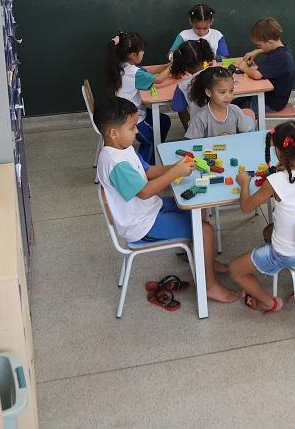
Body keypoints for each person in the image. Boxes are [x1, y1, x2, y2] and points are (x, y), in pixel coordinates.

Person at [94, 97, 237, 306]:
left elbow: (148, 171)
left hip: (149, 210)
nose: (137, 131)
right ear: (113, 133)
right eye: (132, 127)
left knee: (199, 208)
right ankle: (209, 285)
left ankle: (203, 258)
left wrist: (176, 166)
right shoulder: (115, 163)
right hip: (142, 225)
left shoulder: (123, 148)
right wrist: (174, 173)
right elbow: (144, 192)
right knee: (205, 230)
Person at [227, 121, 295, 313]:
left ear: (280, 152)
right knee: (268, 231)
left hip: (285, 254)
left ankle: (270, 302)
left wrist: (244, 183)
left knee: (235, 269)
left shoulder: (275, 181)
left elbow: (246, 207)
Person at [104, 30, 172, 157]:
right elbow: (159, 79)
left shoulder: (122, 65)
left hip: (126, 111)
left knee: (164, 121)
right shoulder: (133, 73)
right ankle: (144, 165)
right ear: (133, 54)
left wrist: (167, 65)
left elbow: (148, 69)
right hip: (127, 118)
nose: (143, 53)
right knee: (150, 140)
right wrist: (171, 67)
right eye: (142, 50)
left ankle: (156, 153)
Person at [240, 17, 295, 114]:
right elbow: (271, 49)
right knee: (239, 100)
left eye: (259, 45)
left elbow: (257, 75)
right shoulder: (283, 50)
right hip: (272, 98)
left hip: (271, 104)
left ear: (270, 42)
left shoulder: (279, 57)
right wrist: (257, 51)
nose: (258, 47)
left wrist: (244, 68)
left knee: (237, 107)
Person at [185, 66, 255, 139]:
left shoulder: (236, 111)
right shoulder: (200, 118)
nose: (228, 96)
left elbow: (246, 137)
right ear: (209, 92)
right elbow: (193, 143)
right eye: (222, 92)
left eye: (231, 91)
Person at [170, 39, 214, 127]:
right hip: (224, 128)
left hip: (199, 130)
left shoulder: (182, 86)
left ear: (183, 64)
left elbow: (179, 109)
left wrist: (189, 130)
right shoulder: (218, 75)